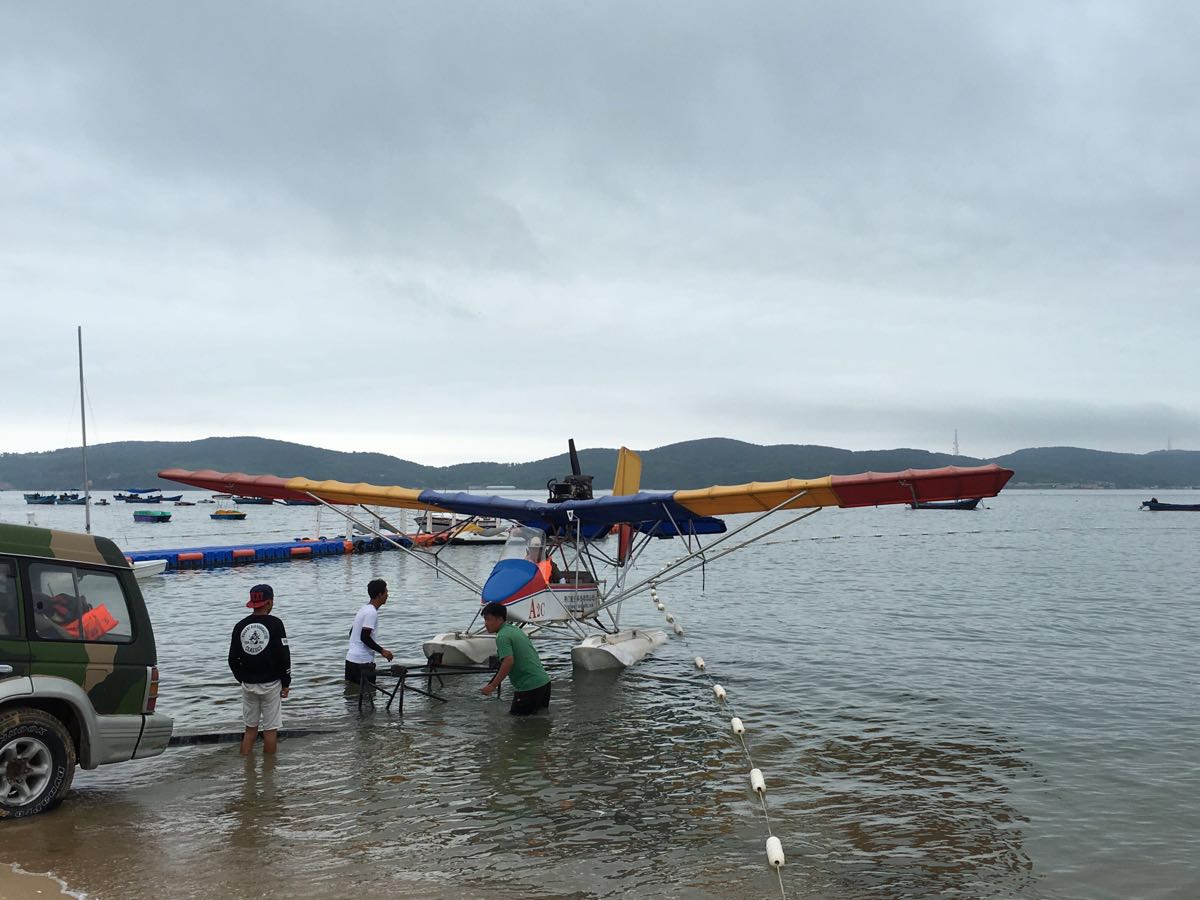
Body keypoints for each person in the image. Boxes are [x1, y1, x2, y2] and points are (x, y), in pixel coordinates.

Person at [228, 583, 291, 756]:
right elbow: (283, 656)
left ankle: (246, 768)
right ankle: (269, 773)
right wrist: (286, 683)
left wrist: (242, 678)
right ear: (269, 602)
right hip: (271, 684)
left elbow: (232, 659)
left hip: (248, 683)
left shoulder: (240, 626)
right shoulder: (276, 624)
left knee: (250, 730)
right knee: (270, 730)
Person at [479, 601, 551, 715]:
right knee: (539, 720)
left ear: (499, 619)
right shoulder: (514, 630)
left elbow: (508, 661)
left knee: (517, 724)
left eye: (488, 619)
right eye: (485, 620)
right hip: (544, 683)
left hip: (528, 687)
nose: (485, 624)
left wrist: (492, 686)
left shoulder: (502, 636)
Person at [345, 578, 394, 688]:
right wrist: (383, 651)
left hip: (351, 660)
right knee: (368, 697)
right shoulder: (371, 612)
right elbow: (364, 636)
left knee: (352, 697)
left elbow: (352, 632)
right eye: (386, 592)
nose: (388, 595)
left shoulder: (364, 609)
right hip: (362, 663)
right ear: (379, 595)